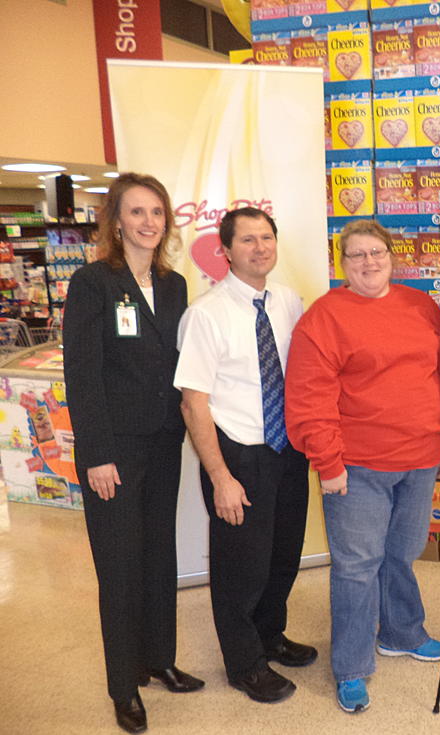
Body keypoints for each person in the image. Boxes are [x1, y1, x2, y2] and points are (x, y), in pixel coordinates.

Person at [284, 219, 440, 714]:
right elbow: (309, 397)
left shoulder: (421, 306)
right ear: (343, 264)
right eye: (356, 255)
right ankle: (353, 667)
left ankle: (402, 632)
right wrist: (328, 462)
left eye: (376, 252)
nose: (369, 262)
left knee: (401, 553)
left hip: (421, 458)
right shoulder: (325, 317)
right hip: (356, 466)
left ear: (391, 255)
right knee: (358, 567)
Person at [63, 172, 203, 733]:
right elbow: (83, 373)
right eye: (137, 212)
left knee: (157, 555)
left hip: (163, 440)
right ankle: (124, 686)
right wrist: (96, 453)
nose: (148, 223)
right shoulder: (93, 282)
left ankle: (159, 659)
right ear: (116, 221)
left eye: (157, 213)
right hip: (112, 450)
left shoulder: (173, 285)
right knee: (119, 568)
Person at [175, 207, 316, 705]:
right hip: (237, 455)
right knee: (241, 570)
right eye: (248, 240)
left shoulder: (290, 302)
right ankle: (244, 664)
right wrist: (220, 477)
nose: (260, 248)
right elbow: (194, 403)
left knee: (283, 557)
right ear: (226, 251)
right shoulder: (205, 314)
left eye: (267, 238)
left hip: (287, 450)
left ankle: (269, 636)